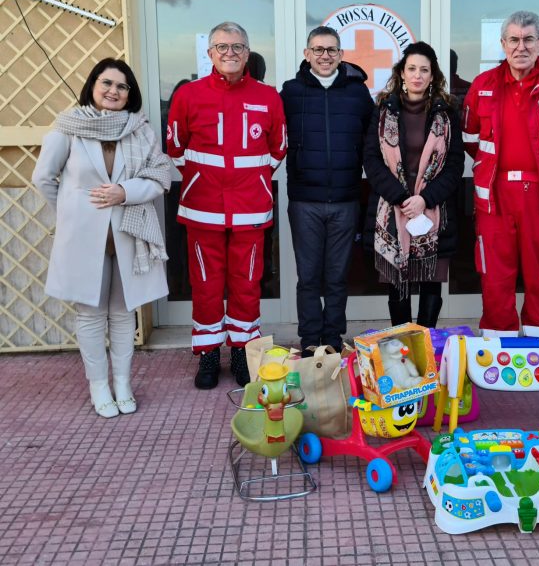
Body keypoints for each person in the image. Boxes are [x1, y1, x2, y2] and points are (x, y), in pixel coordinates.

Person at [33, 58, 171, 417]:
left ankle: (123, 383)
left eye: (122, 86)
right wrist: (72, 212)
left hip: (129, 236)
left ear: (130, 94)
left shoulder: (140, 130)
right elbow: (44, 179)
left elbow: (160, 177)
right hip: (83, 240)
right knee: (91, 315)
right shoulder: (68, 128)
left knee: (124, 315)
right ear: (93, 85)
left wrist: (124, 192)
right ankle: (99, 386)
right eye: (106, 83)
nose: (113, 91)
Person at [166, 21, 287, 389]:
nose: (230, 53)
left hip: (251, 209)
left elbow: (277, 148)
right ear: (210, 53)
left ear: (248, 53)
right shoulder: (188, 95)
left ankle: (241, 352)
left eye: (237, 47)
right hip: (202, 209)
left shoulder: (268, 96)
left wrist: (249, 183)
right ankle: (207, 355)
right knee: (205, 284)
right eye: (222, 47)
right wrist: (205, 180)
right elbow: (175, 148)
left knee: (246, 284)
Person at [462, 11, 539, 337]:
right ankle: (496, 348)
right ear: (503, 44)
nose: (522, 46)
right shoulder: (483, 85)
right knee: (495, 276)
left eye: (529, 39)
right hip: (495, 196)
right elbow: (471, 140)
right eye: (515, 39)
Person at [279, 27, 374, 355]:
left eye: (331, 50)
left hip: (346, 200)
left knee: (336, 277)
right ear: (307, 54)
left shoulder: (357, 93)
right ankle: (309, 341)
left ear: (341, 54)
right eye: (318, 49)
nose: (325, 55)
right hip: (305, 200)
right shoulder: (290, 92)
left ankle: (332, 340)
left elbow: (373, 141)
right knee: (308, 278)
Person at [363, 41, 465, 328]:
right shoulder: (383, 110)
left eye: (424, 69)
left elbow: (455, 165)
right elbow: (371, 159)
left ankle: (428, 349)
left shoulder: (447, 113)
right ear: (402, 73)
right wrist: (400, 197)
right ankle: (403, 350)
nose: (417, 75)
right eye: (412, 69)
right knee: (398, 287)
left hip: (434, 212)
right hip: (393, 212)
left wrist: (425, 199)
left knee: (432, 286)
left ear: (433, 76)